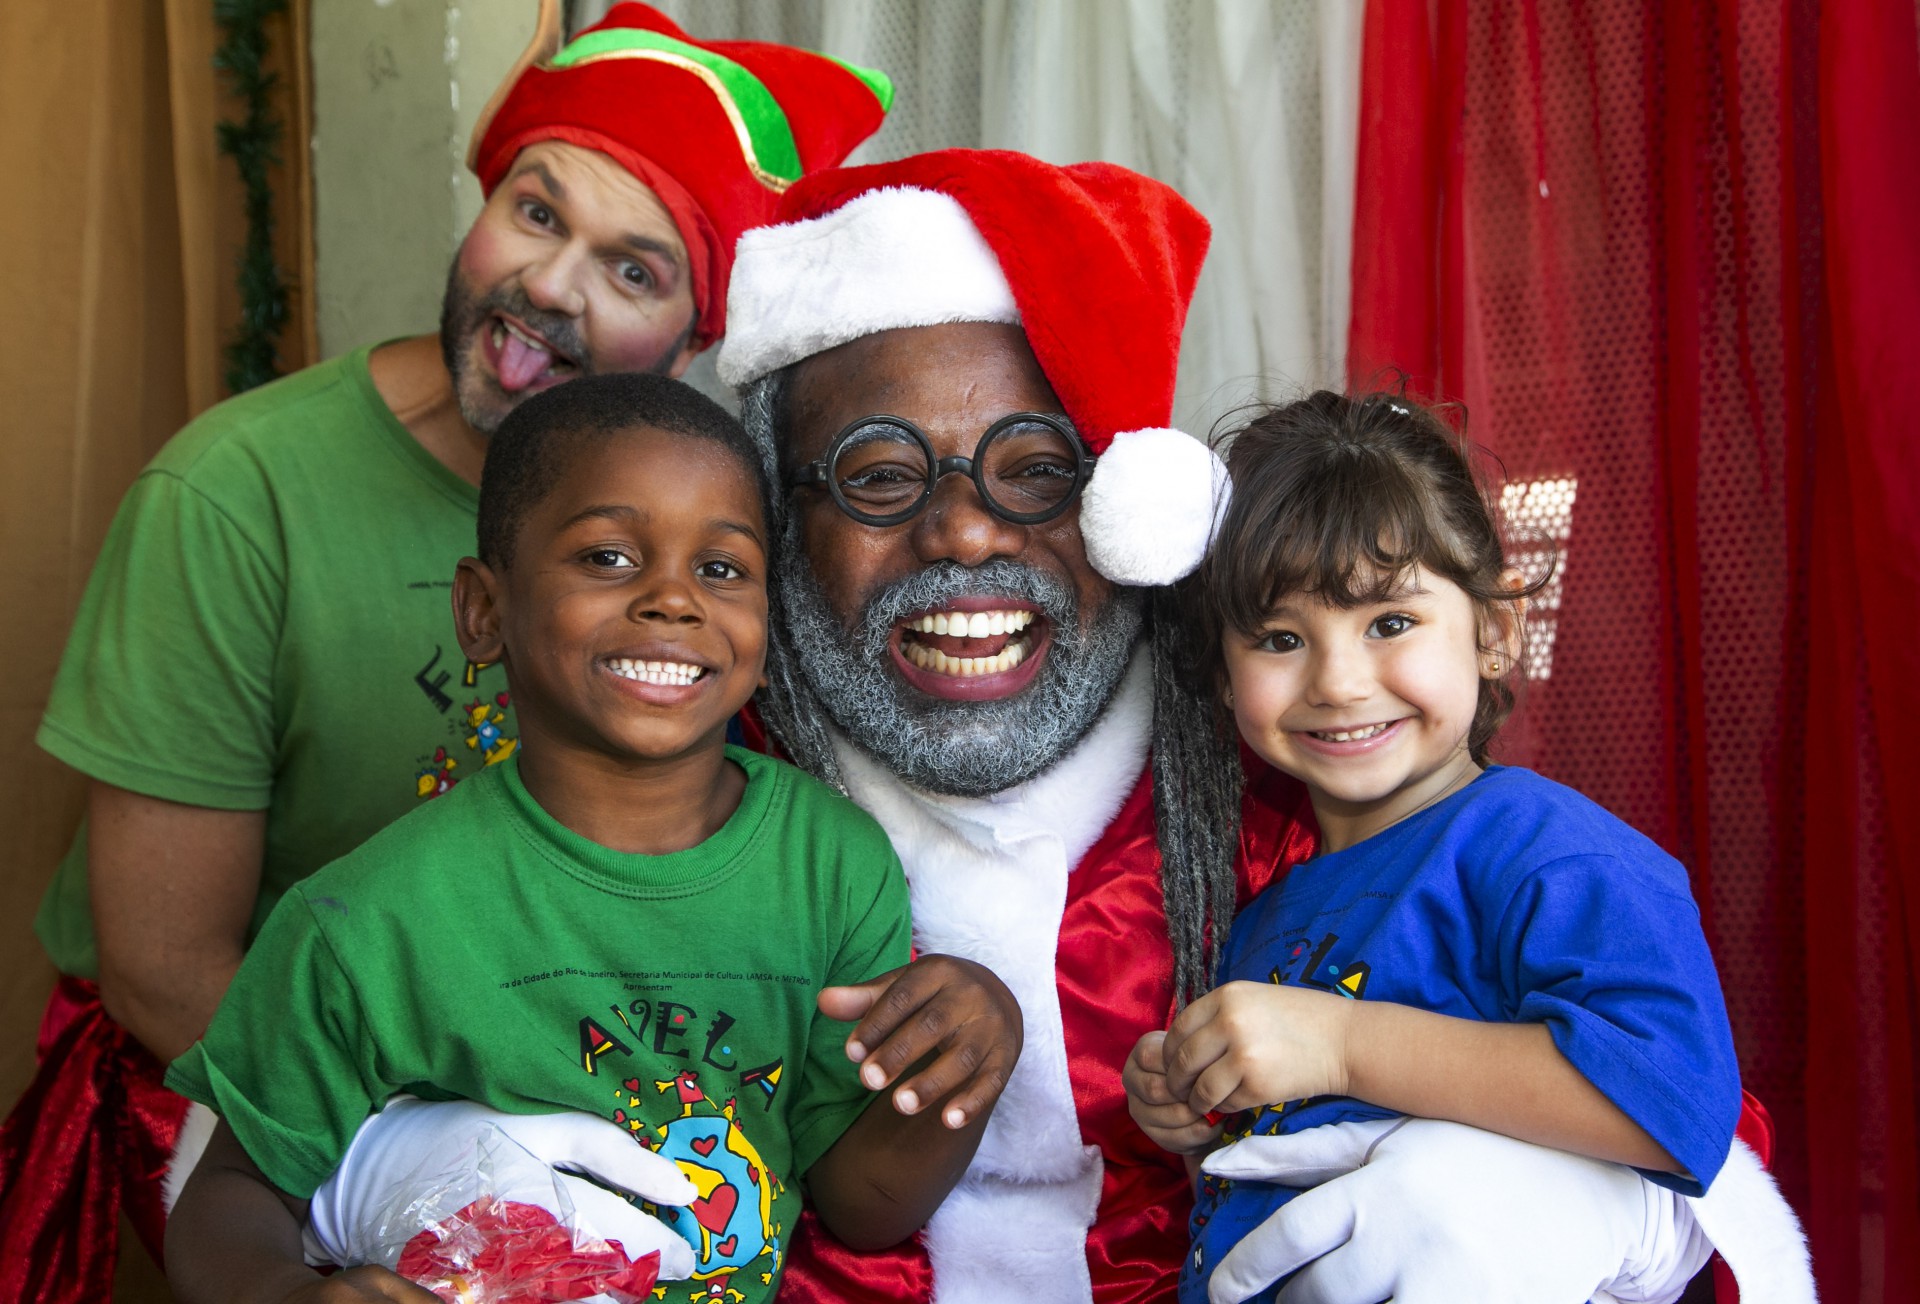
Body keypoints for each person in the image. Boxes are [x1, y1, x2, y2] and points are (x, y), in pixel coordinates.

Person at [300, 149, 1809, 1304]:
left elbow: (1669, 1095)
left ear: (1121, 504)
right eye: (881, 478)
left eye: (1033, 470)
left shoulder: (1302, 766)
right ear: (777, 521)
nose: (964, 538)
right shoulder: (670, 784)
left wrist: (1605, 1221)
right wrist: (384, 1171)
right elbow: (346, 1051)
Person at [0, 4, 893, 1296]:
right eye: (537, 214)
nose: (551, 283)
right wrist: (417, 1155)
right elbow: (160, 968)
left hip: (625, 1127)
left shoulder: (703, 541)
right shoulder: (235, 494)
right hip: (274, 1105)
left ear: (697, 341)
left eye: (633, 270)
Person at [162, 373, 1022, 1304]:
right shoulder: (363, 923)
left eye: (723, 569)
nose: (672, 599)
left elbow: (861, 1205)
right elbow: (231, 1195)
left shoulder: (831, 865)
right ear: (483, 611)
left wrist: (968, 1062)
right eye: (609, 557)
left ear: (769, 628)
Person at [1119, 391, 1746, 1304]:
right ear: (1221, 673)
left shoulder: (1546, 850)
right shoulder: (1262, 916)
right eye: (1282, 638)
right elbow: (1275, 1191)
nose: (1338, 681)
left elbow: (1673, 1106)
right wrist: (1196, 1111)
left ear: (1495, 631)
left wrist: (1341, 1043)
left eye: (1390, 623)